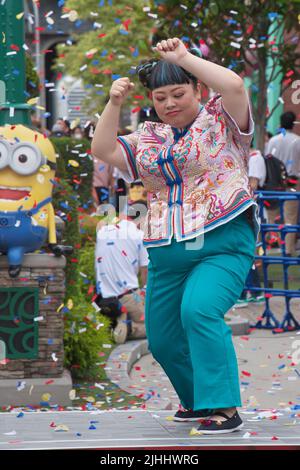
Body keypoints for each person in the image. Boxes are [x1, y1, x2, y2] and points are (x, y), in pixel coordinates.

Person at [91, 37, 259, 434]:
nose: (169, 104)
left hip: (221, 243)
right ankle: (197, 401)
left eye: (179, 93)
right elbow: (102, 148)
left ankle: (223, 407)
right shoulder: (149, 138)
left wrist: (184, 58)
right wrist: (113, 103)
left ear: (198, 89)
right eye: (160, 97)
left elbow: (235, 86)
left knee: (199, 311)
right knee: (164, 339)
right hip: (167, 252)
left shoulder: (222, 120)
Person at [94, 201, 148, 343]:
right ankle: (127, 327)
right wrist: (146, 296)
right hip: (128, 297)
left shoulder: (103, 230)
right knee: (156, 327)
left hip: (101, 298)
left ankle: (114, 323)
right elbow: (145, 273)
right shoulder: (139, 235)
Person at [234, 147, 266, 307]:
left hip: (249, 211)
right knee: (245, 252)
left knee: (247, 251)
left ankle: (249, 291)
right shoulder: (245, 156)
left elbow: (253, 185)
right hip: (244, 211)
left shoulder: (254, 158)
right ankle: (252, 291)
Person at [266, 112, 300, 256]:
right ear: (293, 124)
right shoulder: (297, 140)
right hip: (292, 182)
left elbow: (267, 160)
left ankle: (271, 244)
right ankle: (288, 249)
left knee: (271, 215)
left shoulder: (273, 140)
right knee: (290, 217)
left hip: (274, 182)